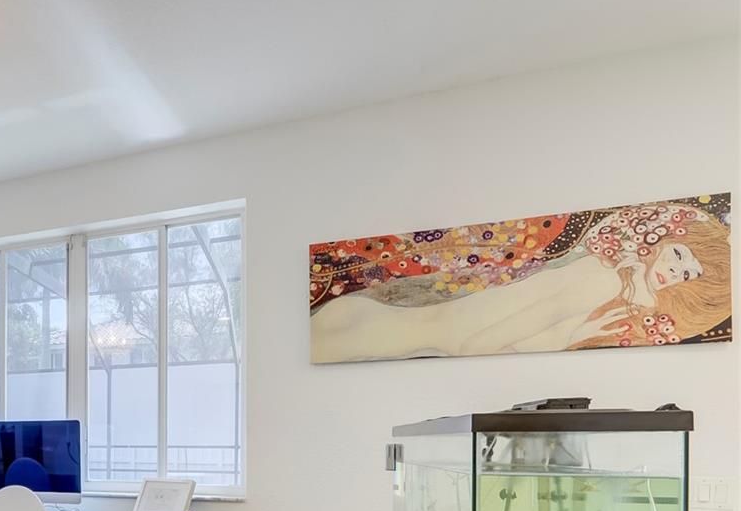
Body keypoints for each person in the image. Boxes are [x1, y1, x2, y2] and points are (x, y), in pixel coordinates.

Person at [309, 203, 730, 361]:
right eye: (679, 255)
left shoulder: (607, 278)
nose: (675, 272)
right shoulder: (602, 281)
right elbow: (477, 344)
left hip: (389, 324)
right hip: (392, 333)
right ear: (661, 237)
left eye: (688, 274)